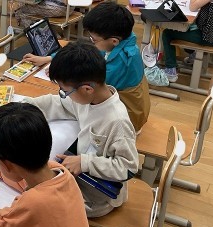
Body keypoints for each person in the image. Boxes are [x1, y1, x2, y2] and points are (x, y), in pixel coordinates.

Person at [24, 41, 138, 218]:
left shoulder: (116, 121)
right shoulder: (89, 99)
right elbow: (60, 103)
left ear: (87, 89)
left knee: (34, 201)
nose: (64, 95)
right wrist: (25, 107)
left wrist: (84, 163)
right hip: (80, 179)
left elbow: (128, 167)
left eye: (66, 91)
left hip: (96, 198)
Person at [22, 2, 150, 132]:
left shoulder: (123, 62)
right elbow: (86, 51)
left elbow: (89, 84)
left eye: (94, 39)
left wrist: (64, 73)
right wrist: (51, 58)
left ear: (114, 41)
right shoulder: (122, 41)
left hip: (127, 119)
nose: (92, 42)